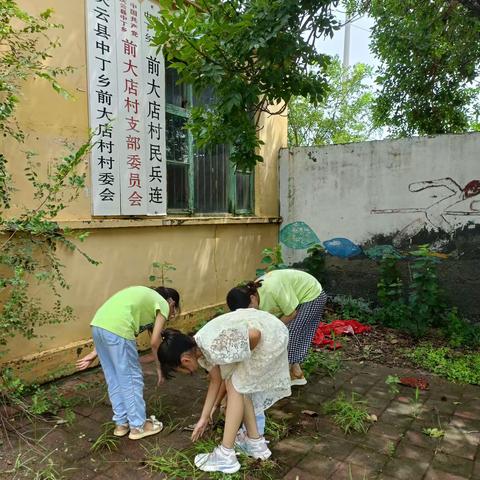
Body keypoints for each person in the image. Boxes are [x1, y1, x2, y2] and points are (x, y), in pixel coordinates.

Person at [158, 308, 291, 475]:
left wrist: (246, 355)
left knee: (236, 385)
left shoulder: (213, 345)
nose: (187, 373)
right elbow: (216, 380)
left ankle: (226, 455)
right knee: (236, 382)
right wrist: (204, 417)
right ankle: (255, 444)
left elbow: (255, 335)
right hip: (269, 331)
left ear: (185, 360)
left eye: (182, 371)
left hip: (271, 337)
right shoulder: (199, 348)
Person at [76, 285, 180, 440]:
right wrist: (159, 368)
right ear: (172, 302)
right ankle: (138, 426)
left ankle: (121, 423)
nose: (172, 313)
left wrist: (94, 352)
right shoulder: (164, 304)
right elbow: (154, 342)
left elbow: (110, 323)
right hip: (117, 330)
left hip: (98, 325)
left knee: (114, 378)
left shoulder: (145, 301)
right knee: (131, 378)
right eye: (175, 309)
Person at [226, 269, 327, 386]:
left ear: (253, 298)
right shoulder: (254, 297)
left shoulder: (272, 290)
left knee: (290, 333)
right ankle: (296, 374)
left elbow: (291, 314)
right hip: (294, 298)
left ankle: (282, 379)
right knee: (280, 333)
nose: (249, 313)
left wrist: (273, 328)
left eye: (249, 308)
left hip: (312, 295)